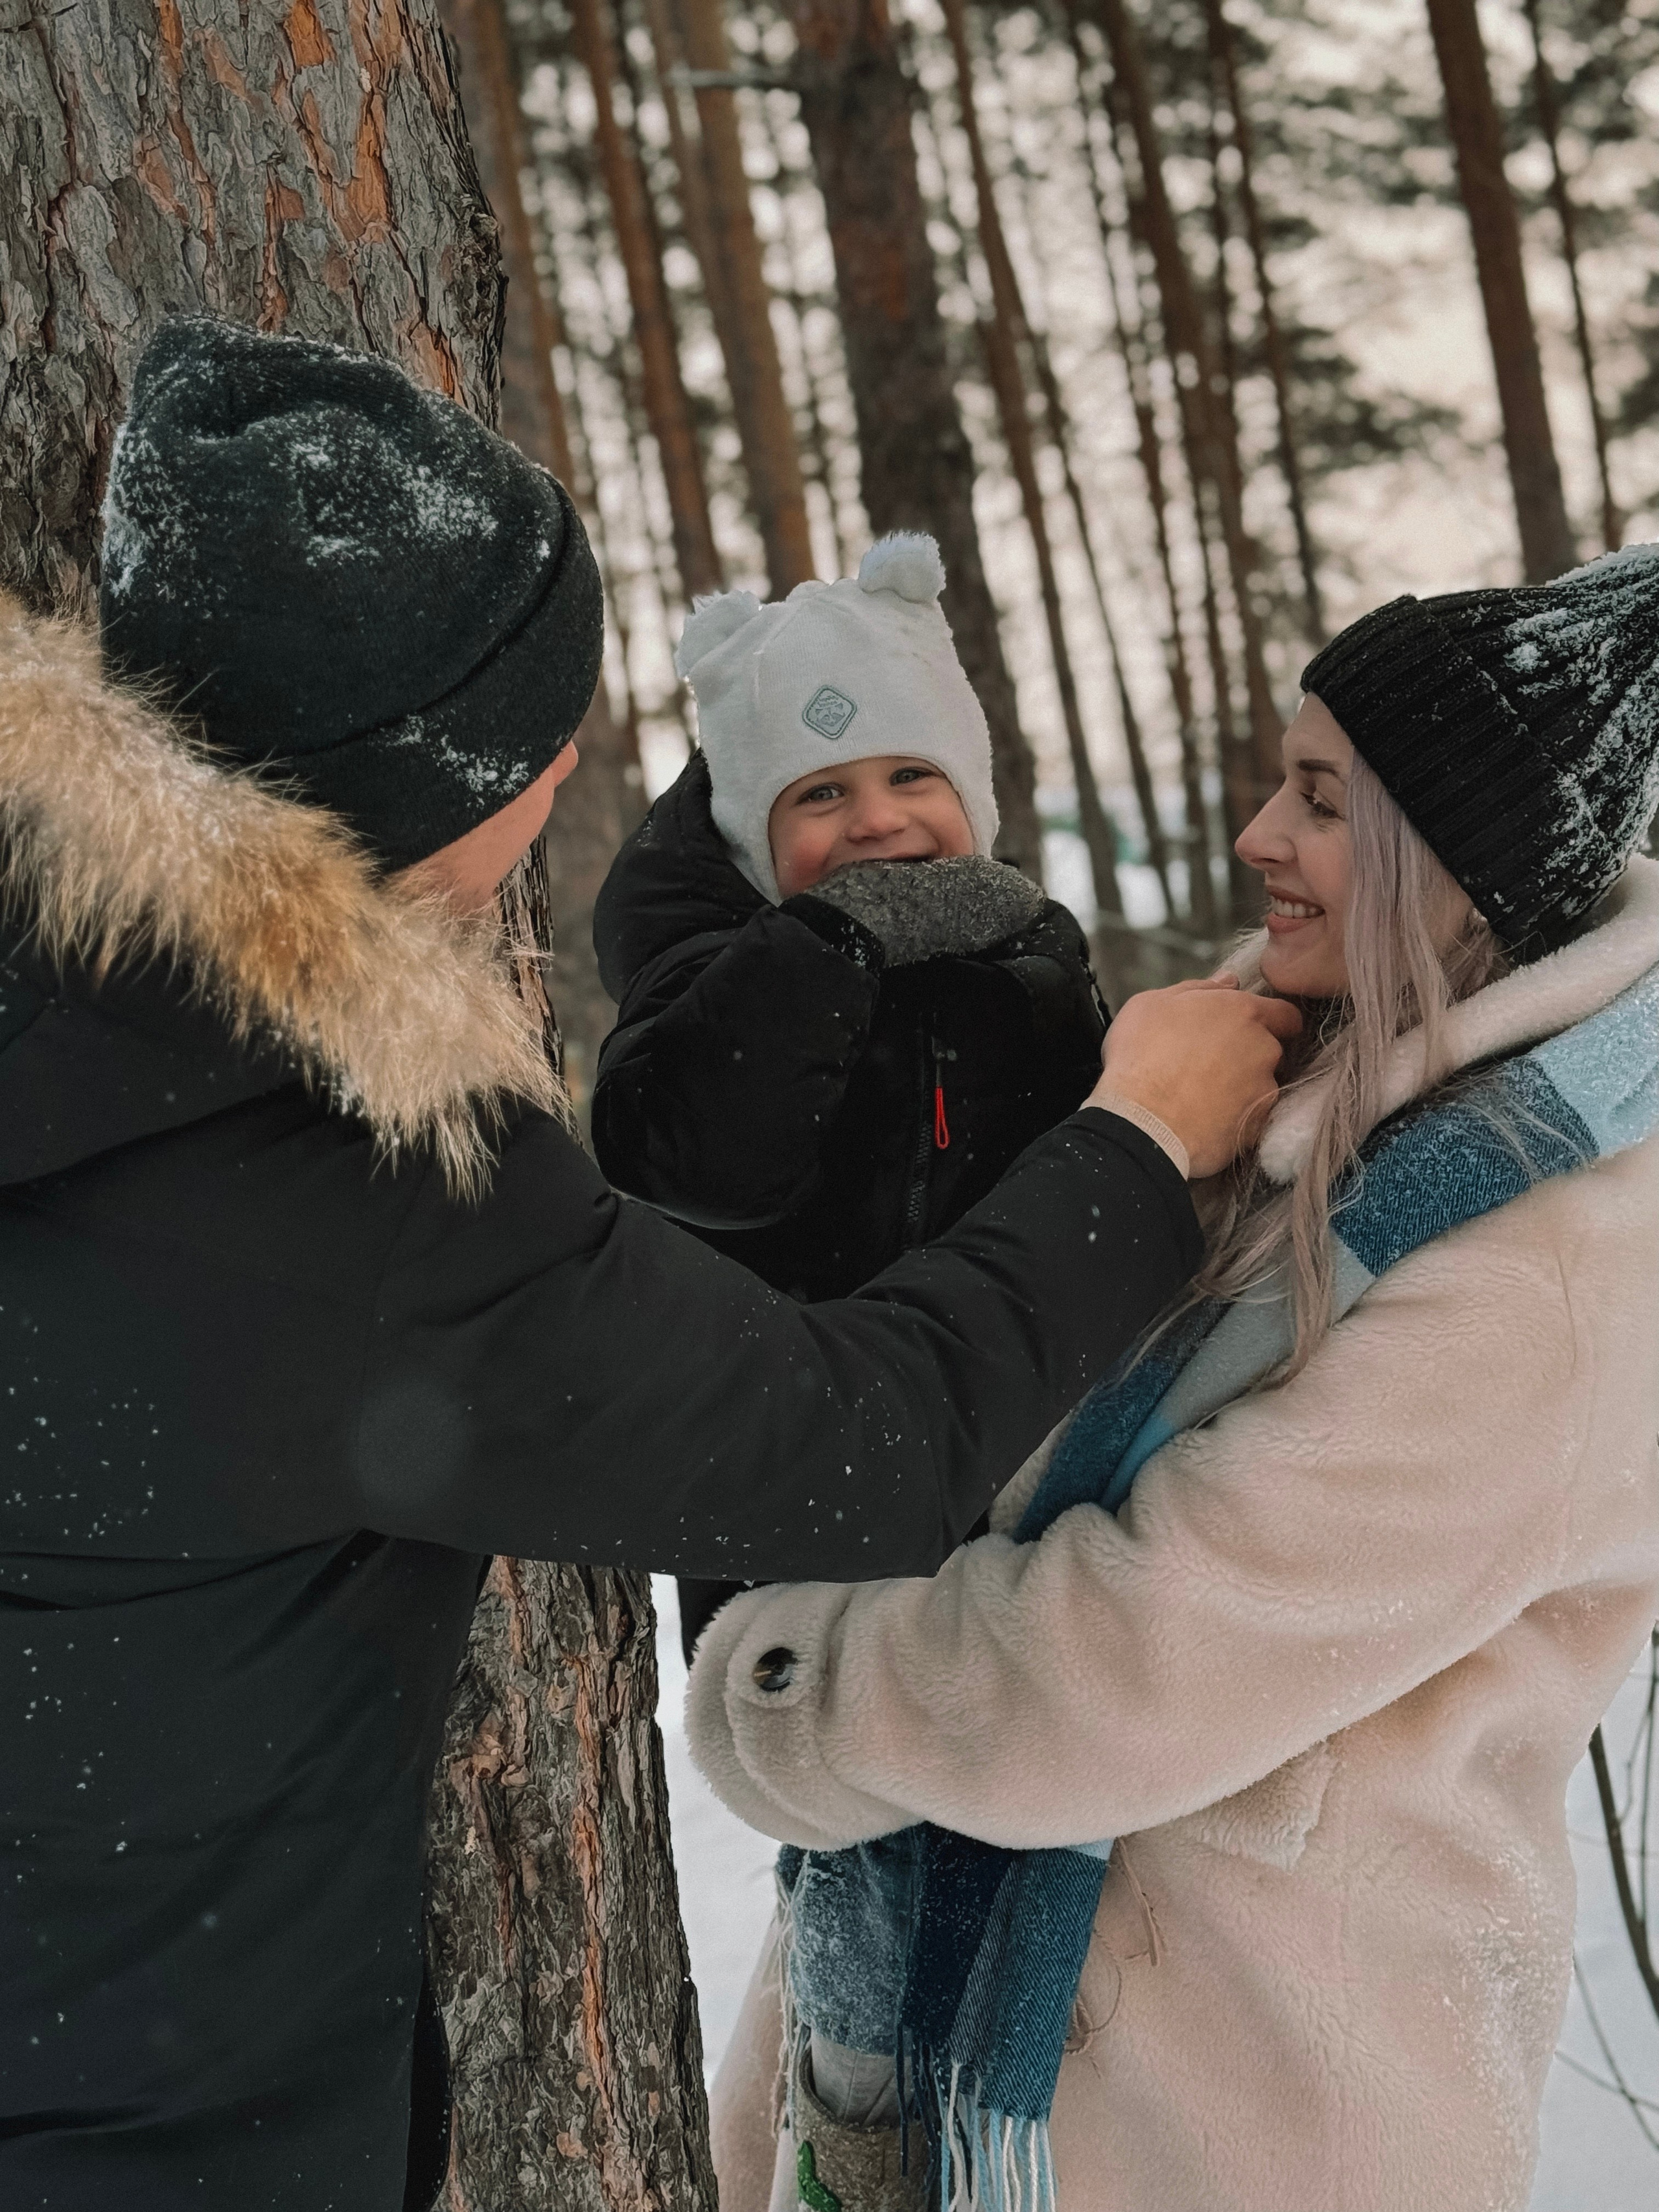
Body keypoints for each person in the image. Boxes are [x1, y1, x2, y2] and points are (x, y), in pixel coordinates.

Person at [0, 316, 1295, 2211]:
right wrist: (1140, 1139)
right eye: (549, 729)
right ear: (434, 778)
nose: (591, 760)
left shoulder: (82, 1000)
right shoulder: (346, 1174)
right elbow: (860, 1440)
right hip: (150, 2134)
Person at [687, 548, 1659, 2212]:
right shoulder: (1270, 1089)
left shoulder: (1548, 1273)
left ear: (1459, 879)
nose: (1253, 844)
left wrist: (782, 1688)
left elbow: (1127, 1665)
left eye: (1318, 803)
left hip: (1248, 2114)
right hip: (1041, 2059)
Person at [592, 534, 1129, 1657]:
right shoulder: (708, 975)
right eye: (822, 793)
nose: (876, 820)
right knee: (872, 1791)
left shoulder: (1023, 947)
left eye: (911, 776)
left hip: (1012, 1471)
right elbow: (694, 1159)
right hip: (802, 1499)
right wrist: (833, 940)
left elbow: (1089, 1166)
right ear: (752, 836)